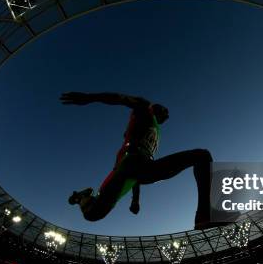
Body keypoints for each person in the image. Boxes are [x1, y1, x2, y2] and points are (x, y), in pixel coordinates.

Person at [62, 92, 234, 230]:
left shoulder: (155, 131)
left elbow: (138, 175)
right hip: (131, 163)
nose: (167, 114)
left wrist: (135, 200)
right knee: (92, 215)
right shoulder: (144, 108)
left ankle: (204, 215)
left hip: (137, 169)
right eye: (164, 109)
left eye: (167, 114)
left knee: (202, 156)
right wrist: (90, 98)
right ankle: (81, 198)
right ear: (155, 108)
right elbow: (119, 98)